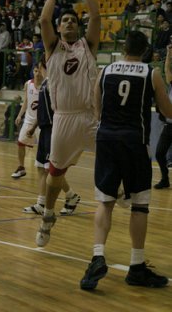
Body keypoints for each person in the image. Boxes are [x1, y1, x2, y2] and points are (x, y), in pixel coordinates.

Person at [80, 31, 172, 291]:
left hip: (107, 139)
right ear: (145, 51)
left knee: (105, 201)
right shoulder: (150, 73)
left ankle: (97, 256)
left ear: (123, 48)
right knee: (140, 204)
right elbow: (166, 110)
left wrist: (107, 124)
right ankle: (137, 266)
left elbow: (95, 105)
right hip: (134, 142)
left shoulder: (106, 70)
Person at [35, 0, 100, 247]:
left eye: (74, 20)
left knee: (115, 150)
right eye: (65, 21)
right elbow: (43, 20)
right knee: (55, 173)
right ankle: (47, 216)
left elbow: (96, 17)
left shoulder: (88, 45)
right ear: (59, 29)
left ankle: (120, 191)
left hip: (90, 116)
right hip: (63, 118)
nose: (70, 22)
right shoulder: (52, 48)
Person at [23, 56, 80, 215]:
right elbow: (42, 108)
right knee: (41, 168)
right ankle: (41, 203)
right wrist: (34, 126)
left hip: (54, 131)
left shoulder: (56, 82)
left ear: (42, 66)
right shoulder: (45, 83)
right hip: (44, 129)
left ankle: (71, 196)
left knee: (52, 170)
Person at [11, 64, 43, 179]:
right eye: (35, 71)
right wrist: (20, 115)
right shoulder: (28, 84)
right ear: (32, 72)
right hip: (29, 119)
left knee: (43, 148)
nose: (37, 73)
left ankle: (44, 169)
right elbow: (26, 101)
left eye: (39, 71)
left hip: (42, 123)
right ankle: (21, 167)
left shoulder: (46, 86)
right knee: (20, 143)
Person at [154, 45, 172, 189]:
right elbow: (167, 70)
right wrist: (169, 52)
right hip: (170, 125)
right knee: (160, 153)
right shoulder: (171, 83)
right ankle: (165, 179)